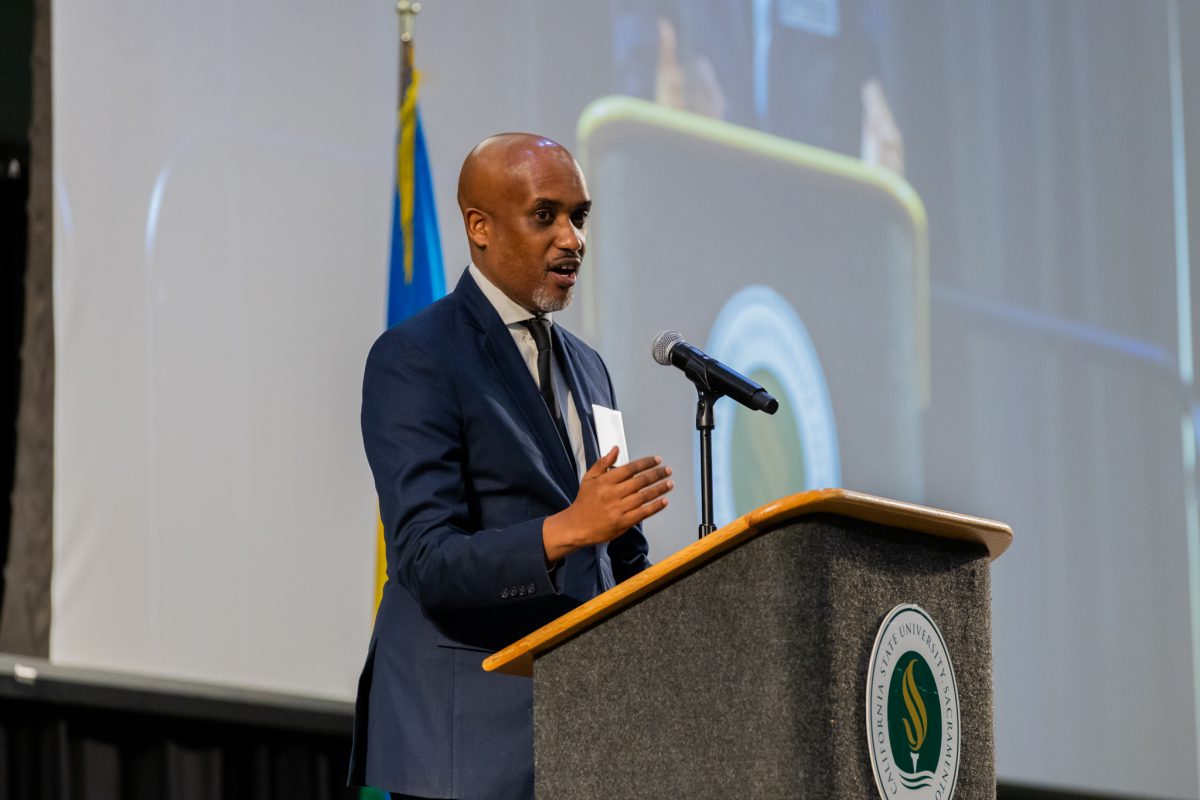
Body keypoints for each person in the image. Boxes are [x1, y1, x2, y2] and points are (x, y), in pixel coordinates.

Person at [348, 133, 675, 800]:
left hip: (582, 743)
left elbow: (615, 553)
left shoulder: (590, 369)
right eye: (545, 215)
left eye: (579, 217)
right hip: (465, 746)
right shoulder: (418, 357)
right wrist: (565, 531)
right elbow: (427, 560)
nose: (572, 240)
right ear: (479, 227)